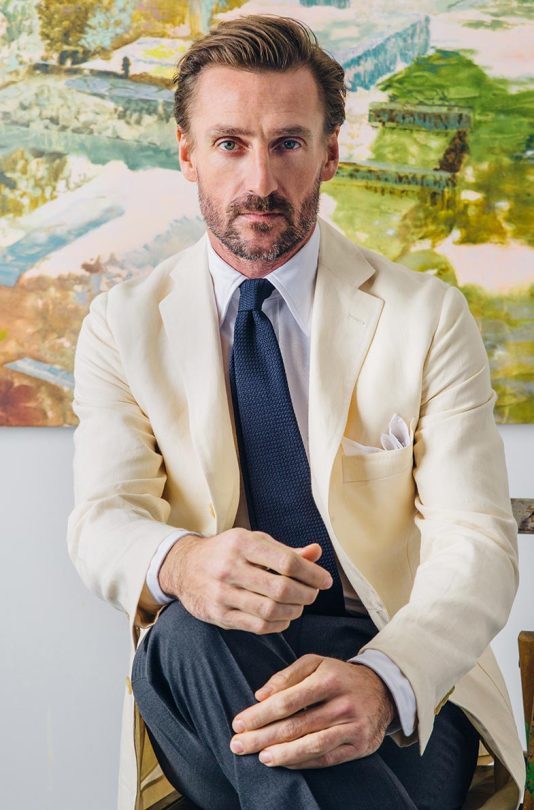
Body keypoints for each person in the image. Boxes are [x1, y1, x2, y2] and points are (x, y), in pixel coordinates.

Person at [67, 14, 525, 810]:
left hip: (396, 660)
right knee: (187, 631)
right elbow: (102, 521)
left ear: (330, 152)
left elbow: (477, 543)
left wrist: (384, 680)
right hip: (212, 661)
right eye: (229, 144)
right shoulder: (122, 325)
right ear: (187, 153)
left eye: (287, 143)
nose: (260, 181)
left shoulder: (426, 317)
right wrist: (184, 564)